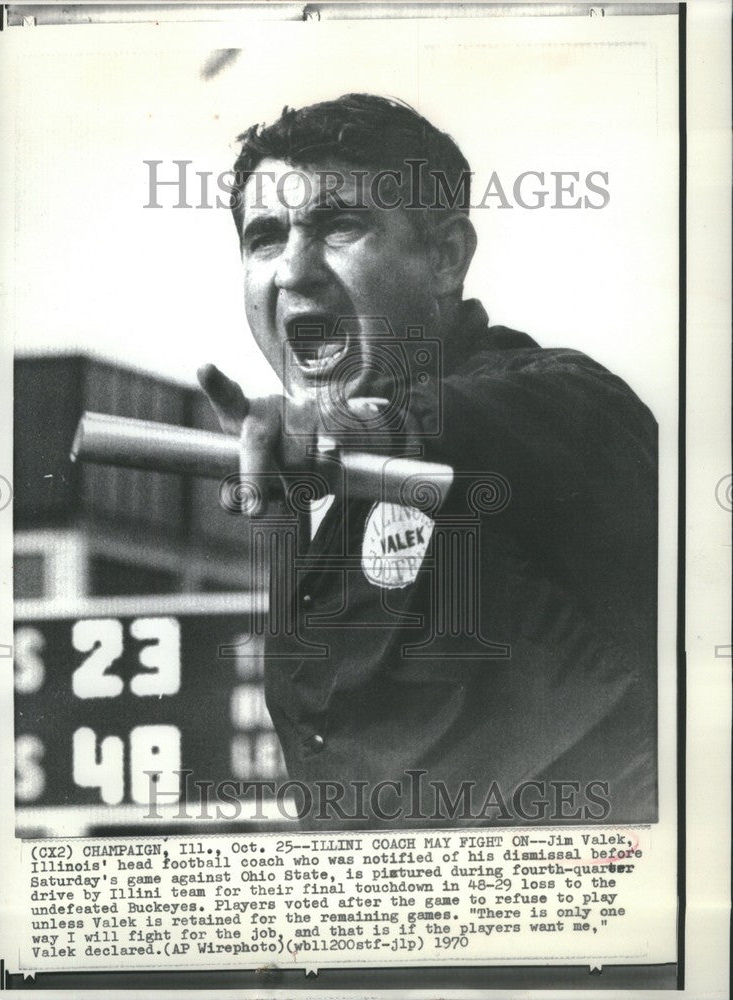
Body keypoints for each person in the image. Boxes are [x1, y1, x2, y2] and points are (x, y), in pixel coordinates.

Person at [198, 94, 657, 828]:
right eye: (264, 237)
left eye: (339, 225)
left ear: (445, 257)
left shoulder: (569, 408)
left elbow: (461, 429)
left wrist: (347, 427)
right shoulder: (322, 515)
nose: (292, 271)